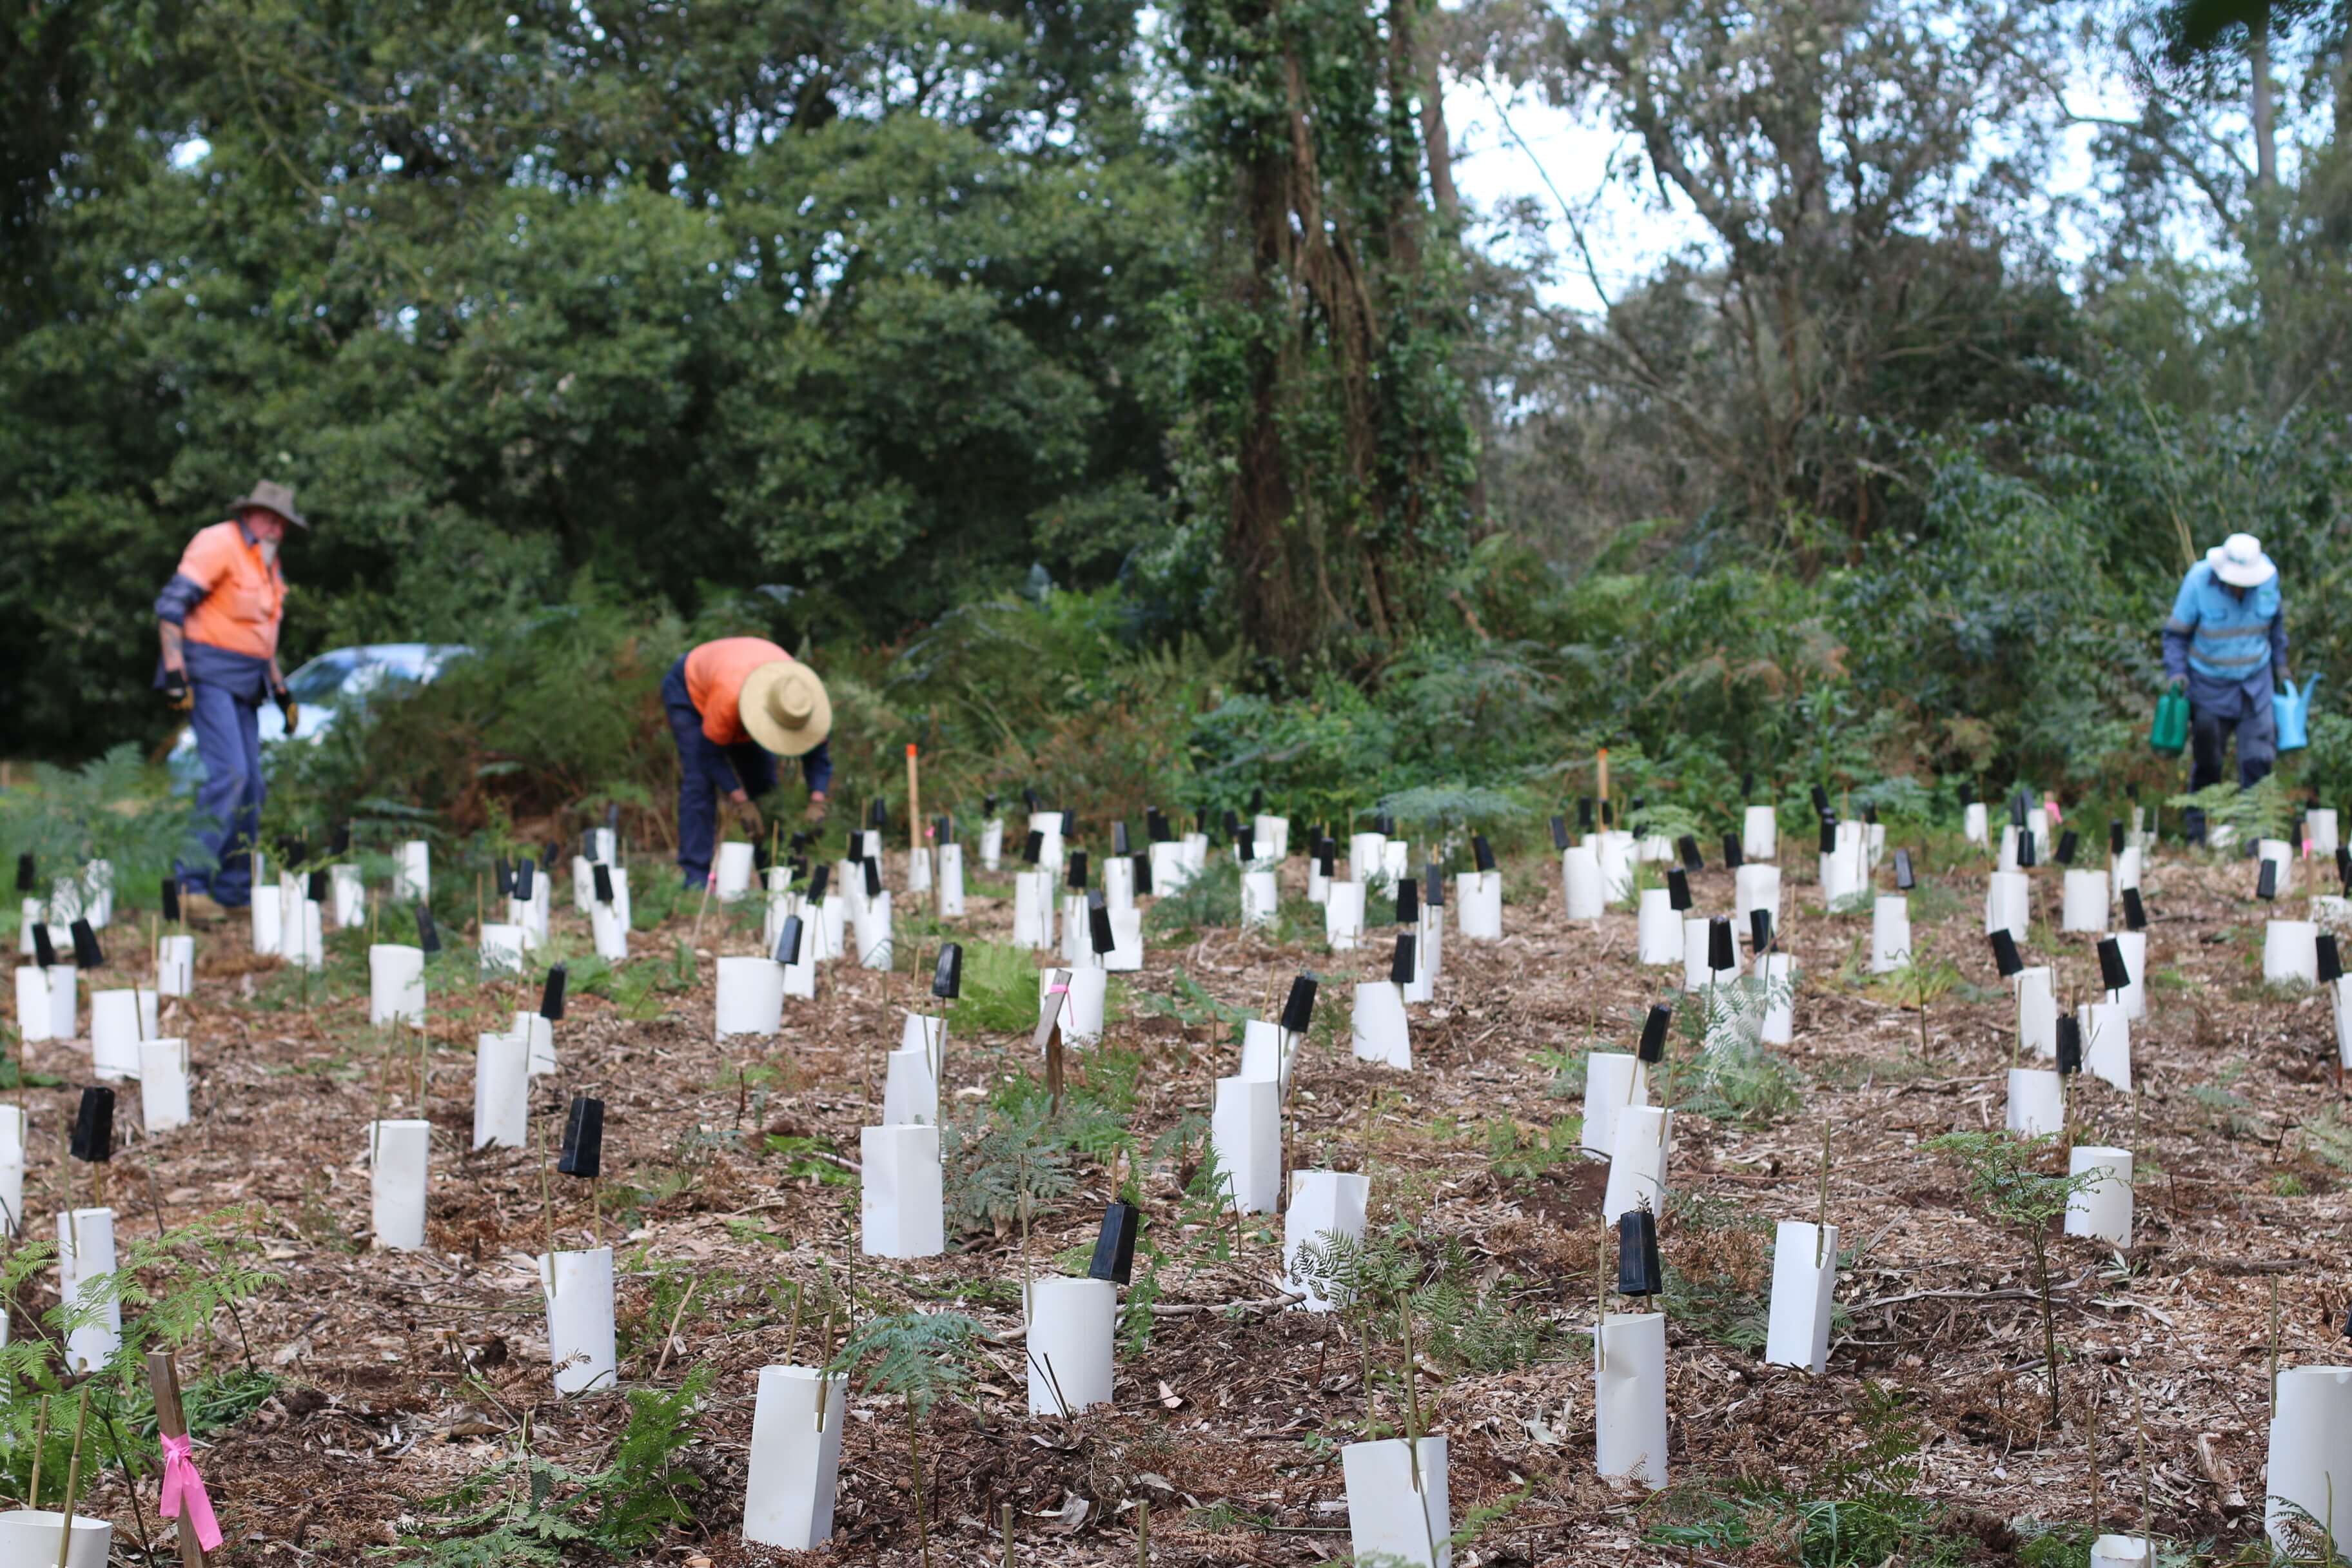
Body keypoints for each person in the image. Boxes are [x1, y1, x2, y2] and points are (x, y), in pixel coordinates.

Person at [153, 480, 304, 916]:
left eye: (283, 522)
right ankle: (189, 885)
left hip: (248, 681)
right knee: (231, 775)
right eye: (270, 517)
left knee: (254, 784)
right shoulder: (218, 543)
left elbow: (263, 638)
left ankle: (235, 892)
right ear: (249, 513)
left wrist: (281, 691)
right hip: (208, 673)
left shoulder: (268, 564)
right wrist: (175, 672)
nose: (277, 527)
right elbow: (171, 606)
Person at [663, 638, 834, 887]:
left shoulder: (801, 700)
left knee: (764, 788)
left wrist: (818, 801)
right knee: (699, 781)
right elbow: (710, 756)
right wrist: (741, 801)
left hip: (743, 678)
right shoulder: (728, 700)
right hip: (690, 690)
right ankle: (696, 879)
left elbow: (818, 755)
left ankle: (775, 875)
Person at [2163, 532, 2288, 832]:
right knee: (2208, 761)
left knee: (2258, 760)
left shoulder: (2269, 580)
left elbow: (2276, 627)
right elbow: (2176, 636)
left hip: (2255, 685)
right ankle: (2198, 833)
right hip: (2209, 687)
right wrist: (2177, 674)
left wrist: (2281, 668)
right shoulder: (2198, 582)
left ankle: (2255, 838)